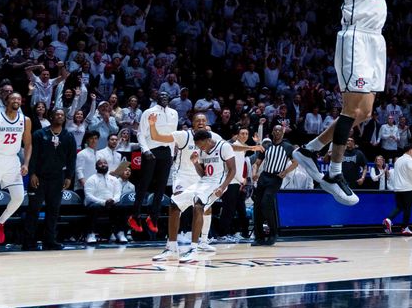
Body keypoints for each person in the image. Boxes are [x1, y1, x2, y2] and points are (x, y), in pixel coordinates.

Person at [294, 0, 406, 205]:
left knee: (365, 113)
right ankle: (333, 171)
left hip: (376, 41)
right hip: (356, 37)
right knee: (350, 109)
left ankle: (312, 148)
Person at [153, 130, 236, 263]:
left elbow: (232, 170)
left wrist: (223, 186)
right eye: (197, 145)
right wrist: (195, 163)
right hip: (204, 182)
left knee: (198, 205)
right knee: (174, 203)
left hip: (217, 184)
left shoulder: (224, 147)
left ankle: (194, 248)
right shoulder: (202, 150)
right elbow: (203, 174)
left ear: (208, 140)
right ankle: (172, 247)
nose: (200, 148)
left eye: (201, 145)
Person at [0, 81, 30, 251]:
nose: (16, 100)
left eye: (19, 98)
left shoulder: (25, 120)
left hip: (12, 161)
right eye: (13, 98)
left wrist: (26, 163)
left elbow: (28, 144)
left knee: (18, 197)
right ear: (6, 101)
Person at [24, 108, 75, 251]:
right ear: (51, 117)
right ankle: (29, 241)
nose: (60, 116)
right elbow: (32, 156)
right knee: (33, 210)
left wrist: (69, 177)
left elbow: (72, 159)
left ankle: (50, 241)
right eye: (57, 114)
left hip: (58, 178)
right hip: (39, 177)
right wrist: (32, 174)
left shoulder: (68, 136)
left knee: (53, 211)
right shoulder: (39, 134)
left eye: (62, 115)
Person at [128, 90, 177, 236]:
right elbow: (140, 133)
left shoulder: (174, 113)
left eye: (166, 95)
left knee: (161, 187)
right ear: (156, 98)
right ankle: (135, 216)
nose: (164, 98)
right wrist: (145, 150)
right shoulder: (148, 112)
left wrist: (172, 154)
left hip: (166, 151)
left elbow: (173, 135)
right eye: (161, 96)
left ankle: (153, 217)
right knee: (144, 184)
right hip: (151, 150)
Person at [252, 124, 299, 246]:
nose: (277, 132)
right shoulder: (266, 146)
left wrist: (285, 172)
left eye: (279, 130)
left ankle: (273, 233)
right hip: (264, 176)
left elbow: (295, 162)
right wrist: (255, 173)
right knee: (257, 207)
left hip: (275, 178)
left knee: (266, 204)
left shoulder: (288, 147)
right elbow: (257, 162)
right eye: (275, 130)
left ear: (283, 133)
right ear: (272, 132)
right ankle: (259, 237)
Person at [83, 158, 128, 244]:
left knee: (122, 207)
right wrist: (103, 202)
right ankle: (91, 234)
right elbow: (89, 196)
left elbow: (118, 193)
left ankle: (120, 233)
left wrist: (113, 200)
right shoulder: (91, 179)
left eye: (105, 163)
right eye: (100, 163)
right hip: (96, 203)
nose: (103, 165)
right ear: (96, 167)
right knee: (94, 207)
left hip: (111, 203)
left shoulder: (114, 179)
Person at [383, 142, 412, 235]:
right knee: (407, 209)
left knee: (399, 207)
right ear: (410, 150)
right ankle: (405, 228)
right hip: (407, 189)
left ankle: (388, 219)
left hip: (397, 189)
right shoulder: (409, 159)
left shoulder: (398, 160)